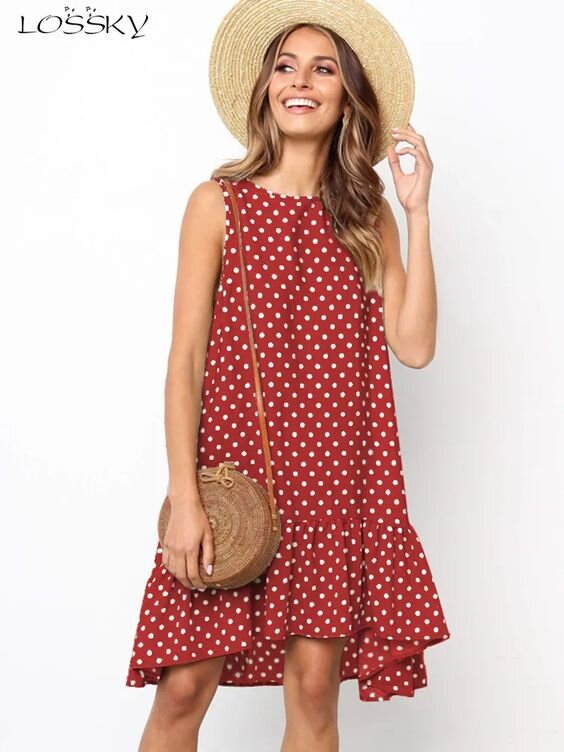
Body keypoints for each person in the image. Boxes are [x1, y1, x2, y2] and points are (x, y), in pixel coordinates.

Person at [126, 2, 451, 750]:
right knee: (184, 689)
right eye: (285, 67)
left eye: (323, 69)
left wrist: (418, 213)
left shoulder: (367, 214)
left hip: (334, 483)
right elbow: (185, 360)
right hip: (236, 481)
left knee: (312, 693)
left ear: (347, 97)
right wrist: (185, 496)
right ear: (266, 88)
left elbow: (414, 346)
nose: (300, 82)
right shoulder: (218, 204)